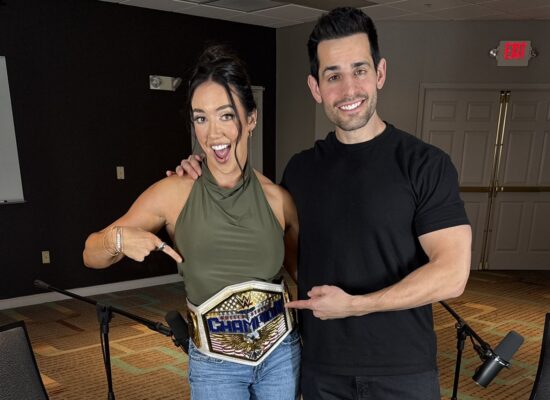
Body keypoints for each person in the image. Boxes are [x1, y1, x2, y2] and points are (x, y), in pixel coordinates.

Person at [172, 7, 472, 400]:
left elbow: (452, 274)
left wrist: (356, 305)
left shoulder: (424, 164)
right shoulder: (300, 171)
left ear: (380, 73)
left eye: (359, 70)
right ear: (315, 88)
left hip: (401, 369)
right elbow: (283, 250)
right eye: (333, 76)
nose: (348, 89)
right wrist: (202, 167)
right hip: (320, 368)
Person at [83, 45, 301, 400]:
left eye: (226, 115)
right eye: (201, 118)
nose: (212, 133)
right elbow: (90, 253)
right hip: (216, 366)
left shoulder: (278, 200)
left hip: (280, 356)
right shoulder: (175, 193)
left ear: (251, 119)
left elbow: (306, 278)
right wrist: (118, 239)